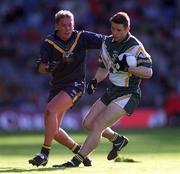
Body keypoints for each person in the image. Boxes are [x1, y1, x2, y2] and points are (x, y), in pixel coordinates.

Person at [29, 10, 127, 167]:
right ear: (56, 26)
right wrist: (47, 67)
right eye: (64, 25)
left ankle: (44, 154)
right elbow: (41, 67)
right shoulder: (49, 42)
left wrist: (125, 41)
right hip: (57, 87)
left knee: (50, 110)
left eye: (70, 25)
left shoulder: (81, 37)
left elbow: (106, 41)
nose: (68, 28)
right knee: (53, 130)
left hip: (76, 85)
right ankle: (81, 151)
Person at [53, 11, 153, 168]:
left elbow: (148, 72)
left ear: (128, 29)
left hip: (128, 93)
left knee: (97, 125)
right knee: (87, 123)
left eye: (119, 30)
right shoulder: (107, 42)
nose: (115, 32)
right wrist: (95, 80)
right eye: (113, 29)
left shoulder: (135, 47)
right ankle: (117, 140)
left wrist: (129, 67)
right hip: (113, 90)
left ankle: (77, 160)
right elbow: (104, 67)